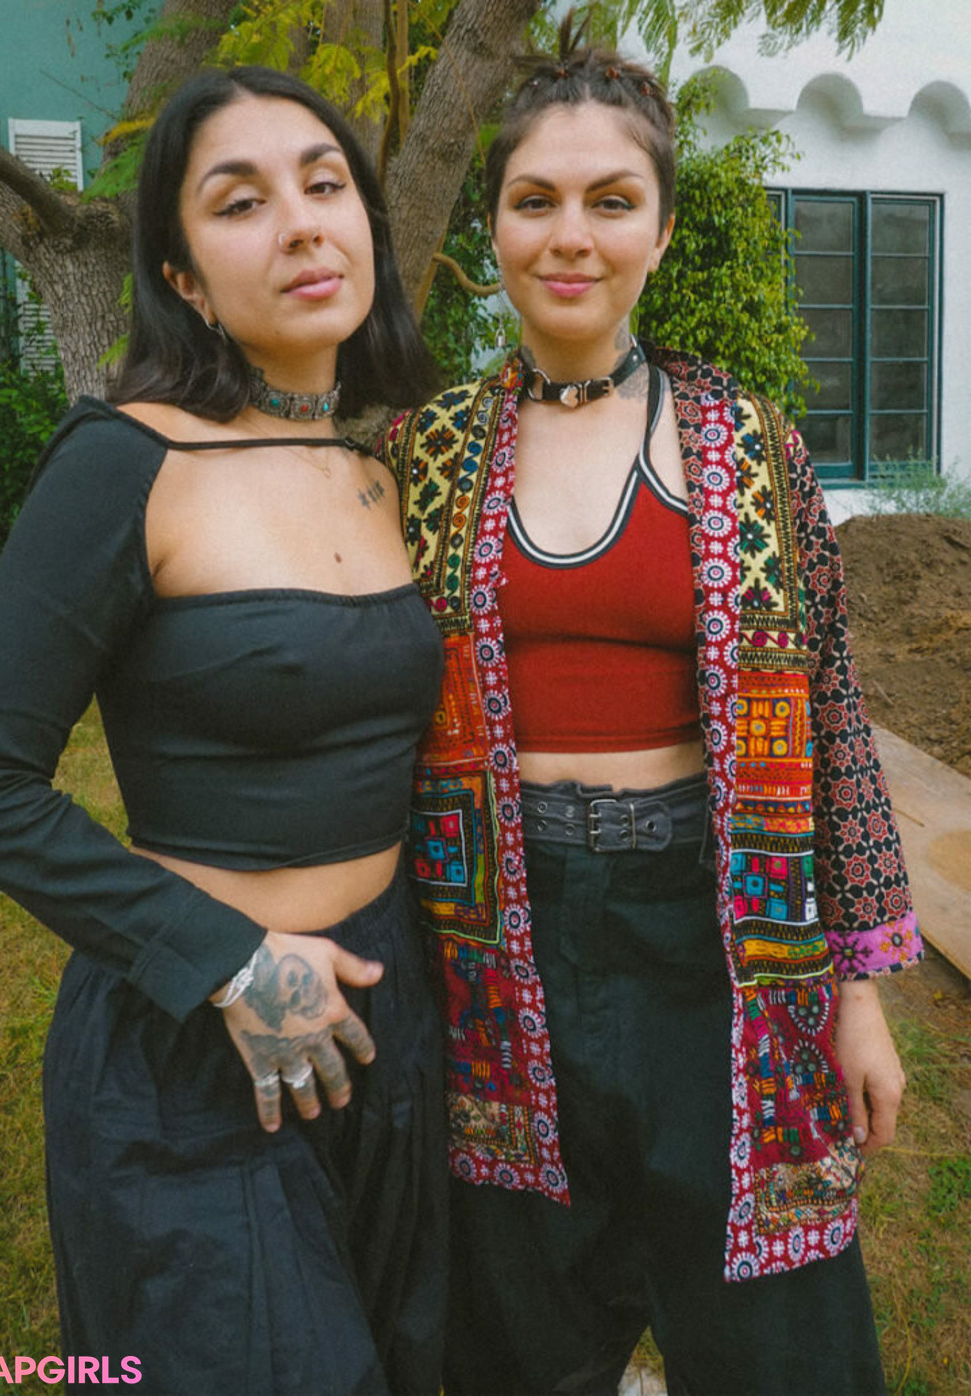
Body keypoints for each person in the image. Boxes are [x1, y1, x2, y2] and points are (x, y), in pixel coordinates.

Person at [381, 15, 922, 1395]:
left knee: (775, 1330)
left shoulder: (748, 444)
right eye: (535, 200)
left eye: (612, 201)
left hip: (720, 938)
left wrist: (858, 996)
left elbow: (833, 720)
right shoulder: (426, 453)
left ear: (662, 232)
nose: (571, 236)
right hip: (495, 944)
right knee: (520, 1318)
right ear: (493, 228)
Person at [0, 64, 447, 1396]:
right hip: (194, 1048)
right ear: (185, 278)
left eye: (324, 184)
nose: (301, 223)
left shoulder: (383, 471)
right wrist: (227, 964)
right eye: (240, 201)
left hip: (391, 1025)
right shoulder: (125, 462)